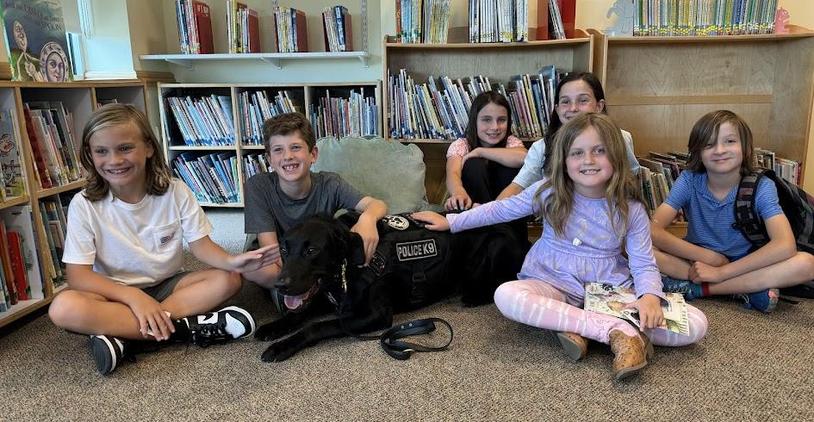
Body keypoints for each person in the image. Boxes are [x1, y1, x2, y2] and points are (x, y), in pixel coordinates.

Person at [413, 113, 708, 380]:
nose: (588, 160)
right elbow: (499, 210)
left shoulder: (630, 209)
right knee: (506, 295)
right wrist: (452, 222)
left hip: (607, 290)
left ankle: (577, 324)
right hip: (552, 281)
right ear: (564, 161)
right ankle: (613, 331)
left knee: (696, 324)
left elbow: (643, 262)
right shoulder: (549, 191)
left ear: (616, 156)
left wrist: (650, 298)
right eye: (577, 153)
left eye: (599, 150)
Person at [48, 104, 276, 375]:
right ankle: (184, 330)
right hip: (111, 293)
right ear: (90, 155)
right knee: (63, 307)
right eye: (101, 151)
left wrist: (233, 261)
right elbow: (78, 277)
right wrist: (132, 296)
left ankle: (124, 336)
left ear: (148, 148)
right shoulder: (83, 204)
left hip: (167, 285)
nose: (114, 160)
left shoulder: (175, 191)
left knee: (228, 279)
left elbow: (201, 246)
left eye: (124, 148)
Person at [651, 110, 814, 312]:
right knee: (629, 245)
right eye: (709, 144)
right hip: (696, 261)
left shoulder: (761, 186)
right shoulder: (689, 179)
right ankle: (746, 288)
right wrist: (709, 258)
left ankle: (700, 289)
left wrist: (721, 272)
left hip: (744, 263)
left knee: (807, 264)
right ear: (698, 152)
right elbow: (652, 229)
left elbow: (785, 245)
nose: (719, 150)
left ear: (745, 148)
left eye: (729, 141)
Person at [242, 112, 387, 291]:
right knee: (252, 268)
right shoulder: (258, 186)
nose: (287, 156)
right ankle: (301, 291)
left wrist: (368, 219)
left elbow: (377, 205)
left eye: (295, 147)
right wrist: (292, 276)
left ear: (313, 154)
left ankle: (310, 290)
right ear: (270, 160)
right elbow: (271, 250)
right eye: (278, 150)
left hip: (314, 256)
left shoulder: (330, 184)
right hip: (281, 257)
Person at [497, 72, 639, 200]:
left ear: (599, 106)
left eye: (583, 100)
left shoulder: (620, 138)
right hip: (560, 220)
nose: (573, 108)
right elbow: (517, 187)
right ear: (557, 109)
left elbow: (630, 182)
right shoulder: (541, 147)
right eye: (565, 102)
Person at [445, 90, 527, 211]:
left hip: (506, 214)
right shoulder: (462, 145)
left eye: (501, 120)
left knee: (509, 165)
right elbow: (453, 173)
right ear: (475, 121)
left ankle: (495, 223)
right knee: (474, 163)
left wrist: (480, 151)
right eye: (487, 120)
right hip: (471, 209)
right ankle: (481, 220)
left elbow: (525, 157)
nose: (495, 127)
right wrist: (458, 192)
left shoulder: (511, 143)